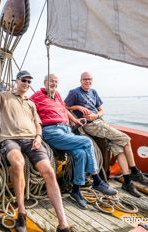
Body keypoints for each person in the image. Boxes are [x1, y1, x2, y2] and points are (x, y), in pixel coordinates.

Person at [0, 70, 73, 232]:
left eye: (29, 82)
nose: (27, 84)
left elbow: (38, 124)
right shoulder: (4, 96)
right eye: (24, 80)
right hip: (10, 140)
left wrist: (38, 137)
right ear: (16, 81)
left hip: (32, 140)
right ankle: (21, 212)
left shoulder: (31, 103)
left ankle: (63, 223)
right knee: (18, 163)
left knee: (49, 171)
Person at [30, 74, 117, 209]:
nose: (54, 84)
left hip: (66, 129)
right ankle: (97, 180)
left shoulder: (57, 95)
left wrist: (75, 121)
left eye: (56, 82)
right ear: (45, 82)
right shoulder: (36, 96)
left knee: (81, 154)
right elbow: (26, 105)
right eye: (51, 81)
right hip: (51, 132)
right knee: (87, 142)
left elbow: (64, 109)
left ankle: (76, 191)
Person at [64, 71, 148, 198]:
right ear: (80, 80)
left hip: (100, 121)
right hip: (91, 125)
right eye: (85, 79)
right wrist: (78, 107)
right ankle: (135, 171)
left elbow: (102, 110)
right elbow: (64, 107)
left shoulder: (94, 92)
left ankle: (127, 181)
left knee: (119, 148)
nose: (88, 81)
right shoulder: (74, 92)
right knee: (126, 139)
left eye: (90, 79)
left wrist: (97, 115)